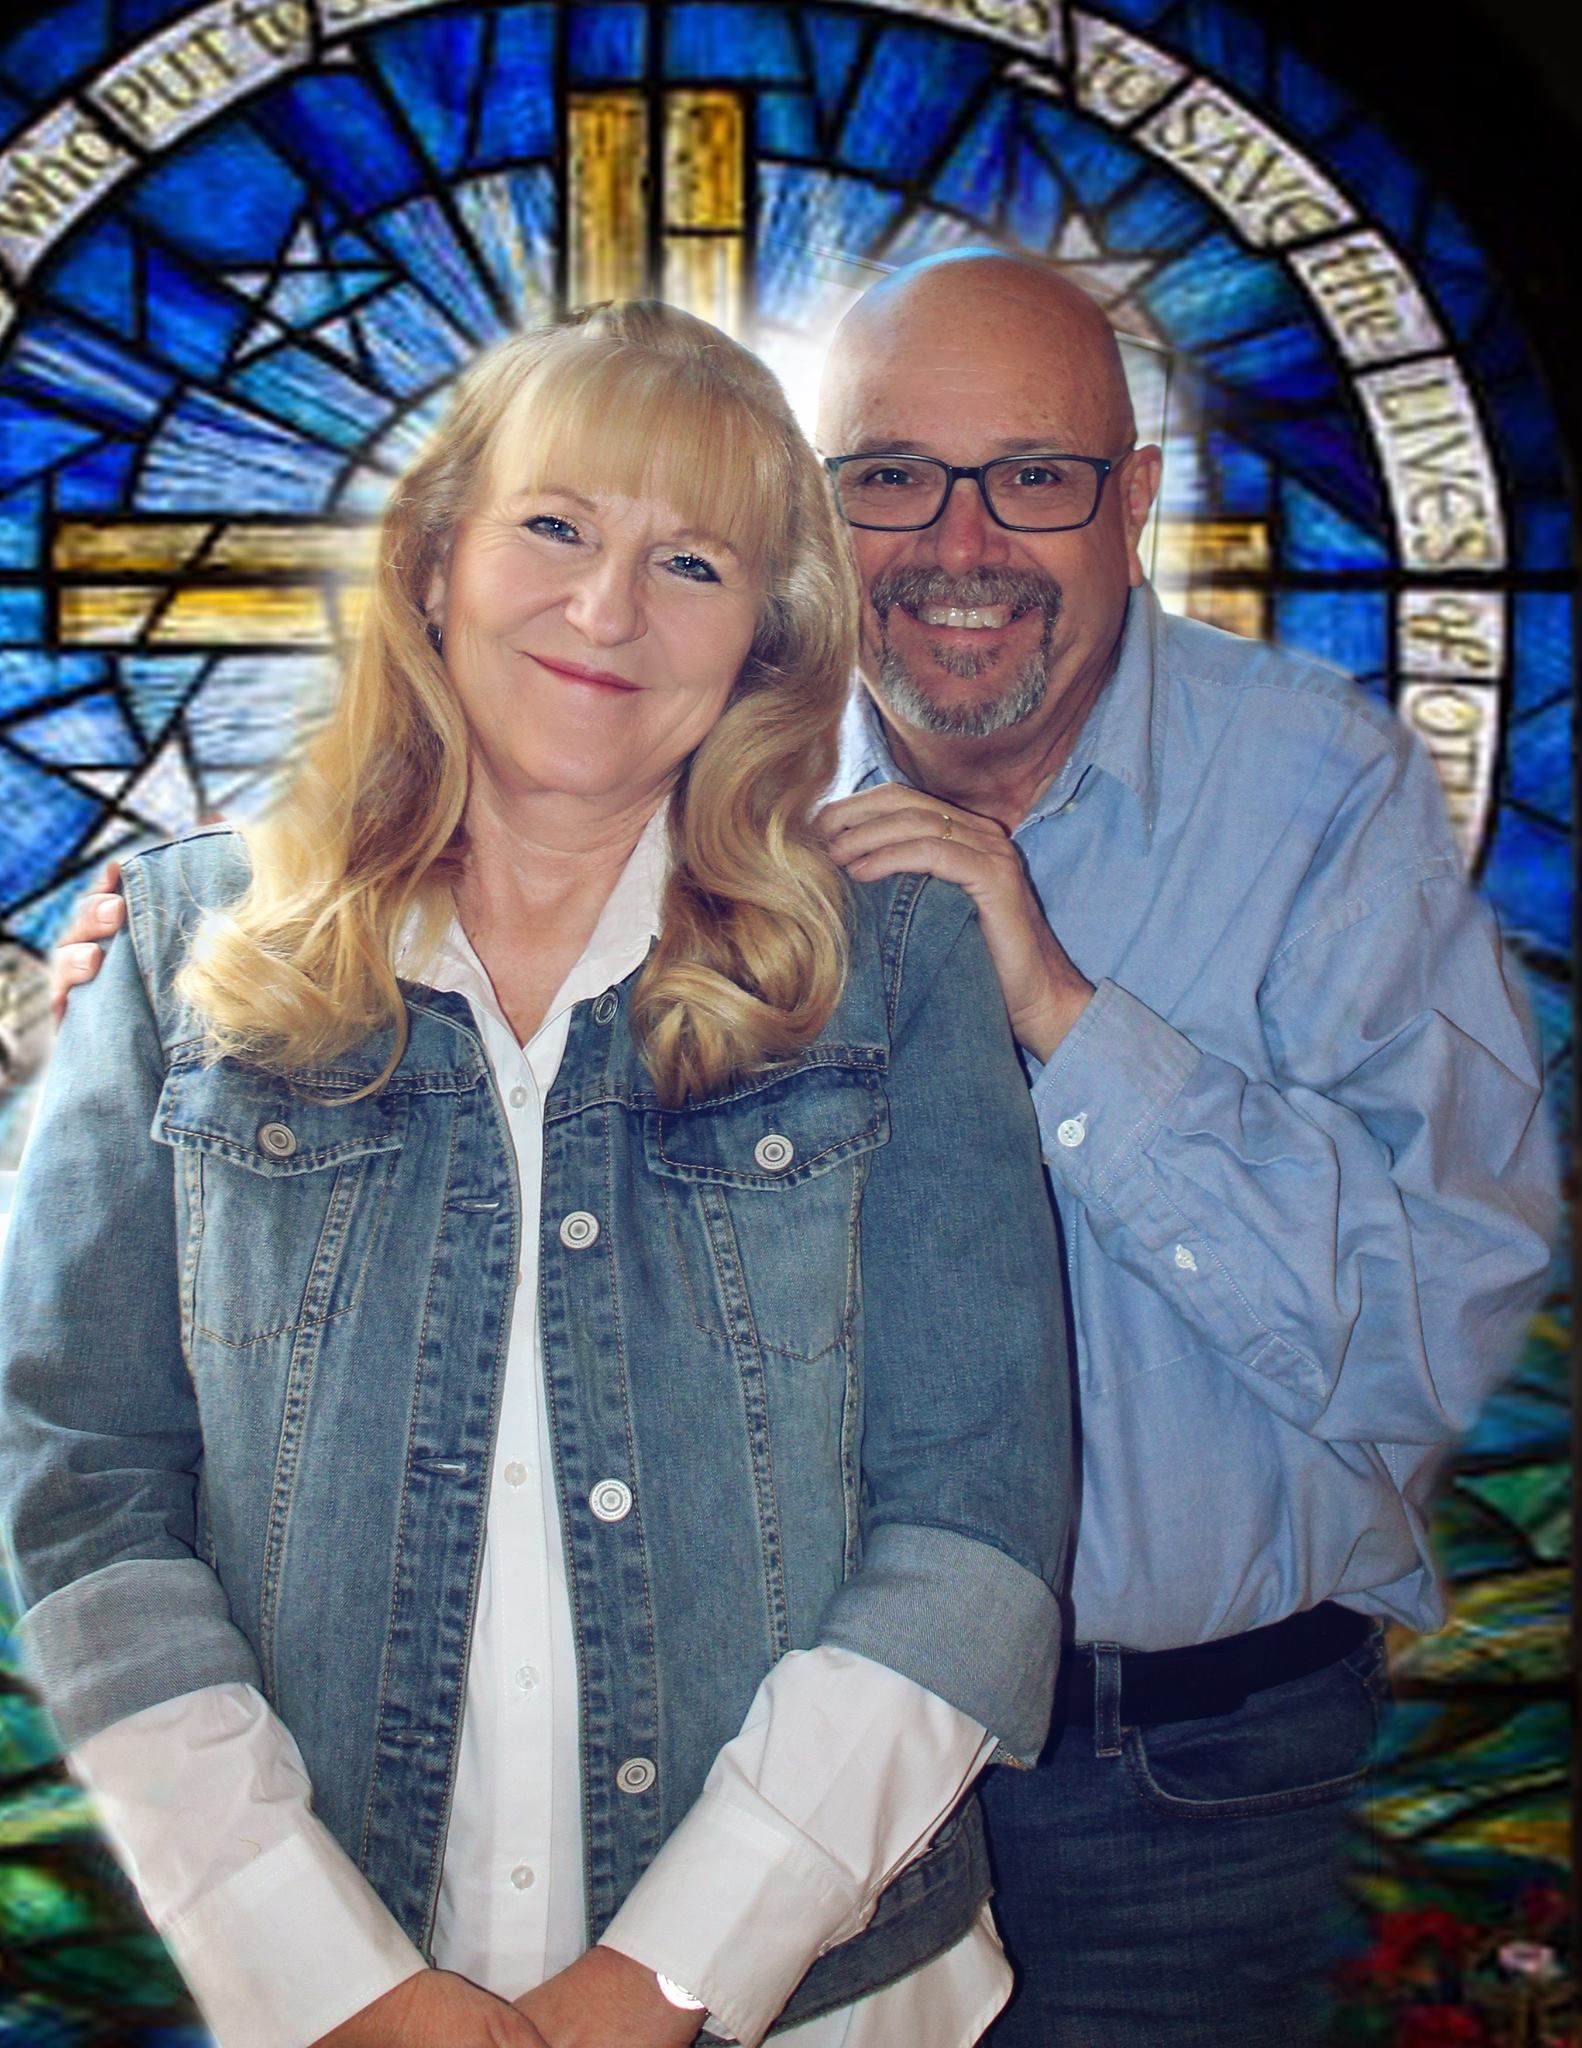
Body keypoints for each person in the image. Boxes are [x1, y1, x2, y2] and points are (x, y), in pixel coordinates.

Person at [0, 300, 1072, 2048]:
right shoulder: (181, 948)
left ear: (767, 646)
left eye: (694, 563)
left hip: (810, 2003)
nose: (606, 611)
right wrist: (322, 1973)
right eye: (554, 528)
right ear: (435, 564)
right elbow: (84, 1480)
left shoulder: (893, 972)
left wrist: (669, 1978)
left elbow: (971, 1519)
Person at [808, 251, 1558, 2044]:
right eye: (891, 475)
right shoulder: (709, 789)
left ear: (1133, 501)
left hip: (1190, 1777)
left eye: (1035, 478)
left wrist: (1064, 1015)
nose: (957, 543)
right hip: (784, 1773)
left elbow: (1423, 1336)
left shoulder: (1320, 794)